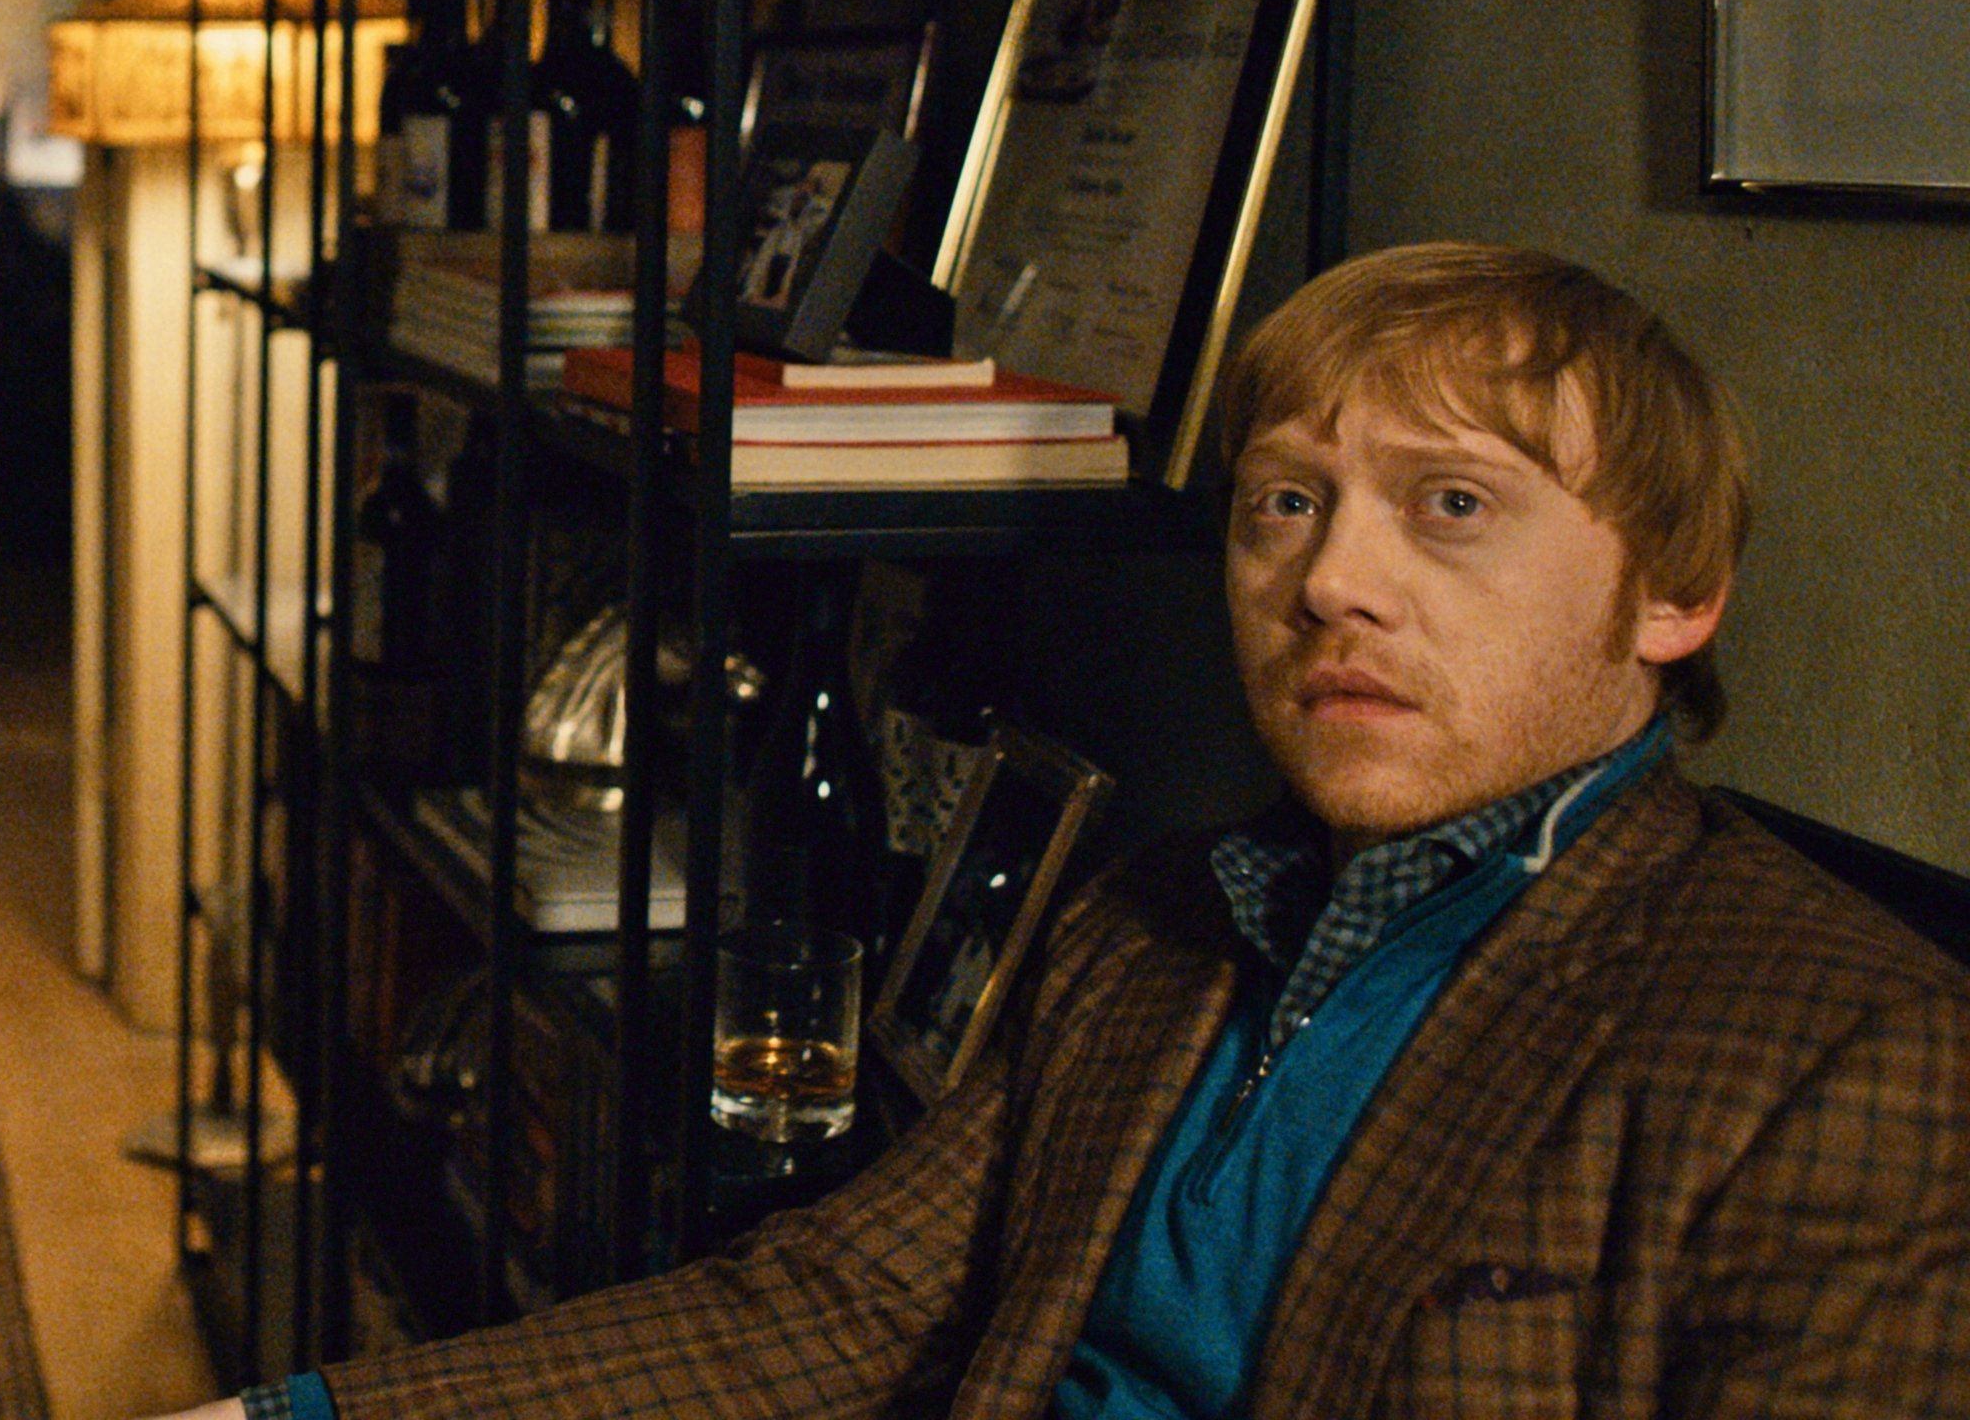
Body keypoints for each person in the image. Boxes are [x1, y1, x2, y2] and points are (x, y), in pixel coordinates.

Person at [169, 242, 1970, 1418]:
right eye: (1286, 503)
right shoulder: (1164, 912)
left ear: (1676, 592)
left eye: (1451, 507)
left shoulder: (1849, 1052)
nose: (1331, 581)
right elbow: (833, 1308)